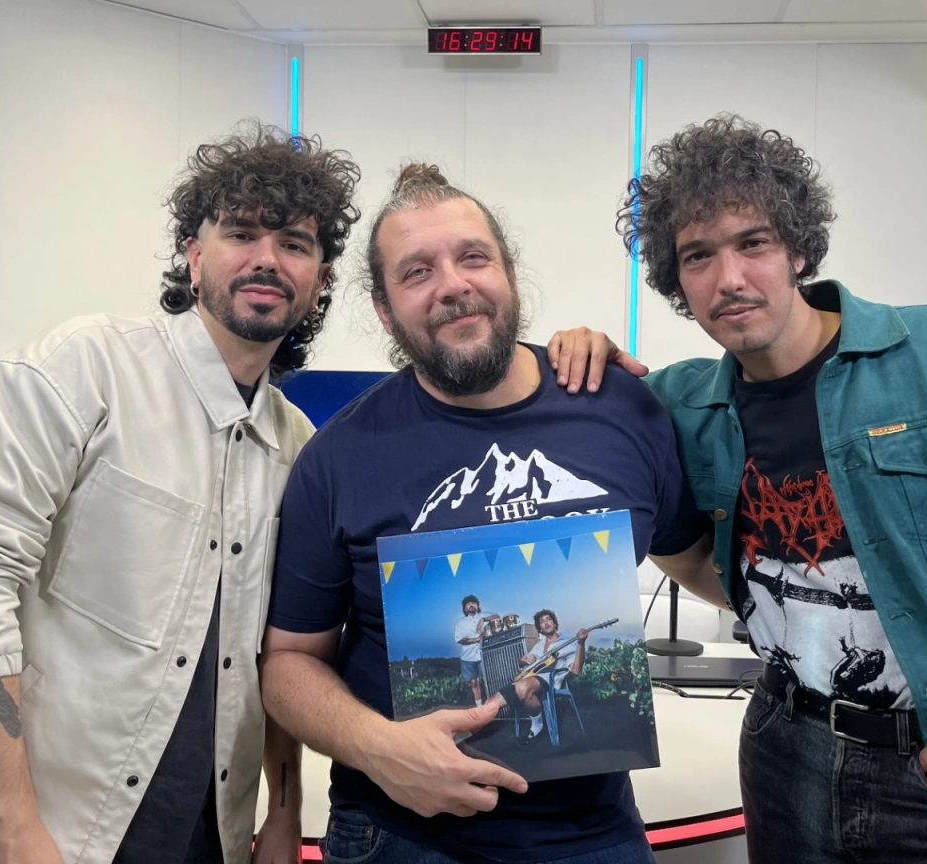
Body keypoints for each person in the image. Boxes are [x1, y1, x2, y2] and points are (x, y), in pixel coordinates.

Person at [548, 114, 927, 863]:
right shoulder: (680, 406)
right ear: (676, 280)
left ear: (797, 248)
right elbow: (651, 509)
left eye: (753, 243)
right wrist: (581, 357)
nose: (729, 279)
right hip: (781, 748)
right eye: (698, 256)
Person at [0, 121, 360, 864]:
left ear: (319, 279)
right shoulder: (81, 370)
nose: (267, 258)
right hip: (46, 830)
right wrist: (10, 826)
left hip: (207, 835)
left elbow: (283, 651)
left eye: (294, 243)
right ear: (194, 254)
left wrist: (283, 812)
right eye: (241, 233)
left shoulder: (298, 447)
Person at [259, 163, 704, 864]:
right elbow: (287, 663)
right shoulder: (338, 456)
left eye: (473, 257)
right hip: (399, 836)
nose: (452, 285)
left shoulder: (621, 408)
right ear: (385, 311)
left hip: (593, 833)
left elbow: (694, 556)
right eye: (417, 272)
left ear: (510, 276)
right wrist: (379, 747)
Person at [488, 609, 589, 745]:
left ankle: (537, 726)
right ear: (540, 628)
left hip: (549, 681)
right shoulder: (539, 645)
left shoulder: (568, 642)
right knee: (489, 704)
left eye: (548, 619)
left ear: (554, 623)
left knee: (522, 687)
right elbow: (523, 666)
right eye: (542, 621)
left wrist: (581, 643)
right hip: (527, 679)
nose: (546, 623)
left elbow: (576, 670)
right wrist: (523, 660)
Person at [454, 594, 500, 707]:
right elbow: (460, 640)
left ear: (477, 605)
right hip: (468, 657)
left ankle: (495, 704)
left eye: (473, 603)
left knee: (490, 679)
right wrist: (478, 639)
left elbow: (497, 617)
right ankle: (480, 707)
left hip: (484, 655)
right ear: (465, 608)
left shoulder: (483, 615)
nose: (471, 605)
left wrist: (483, 620)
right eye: (468, 604)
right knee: (474, 682)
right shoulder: (461, 622)